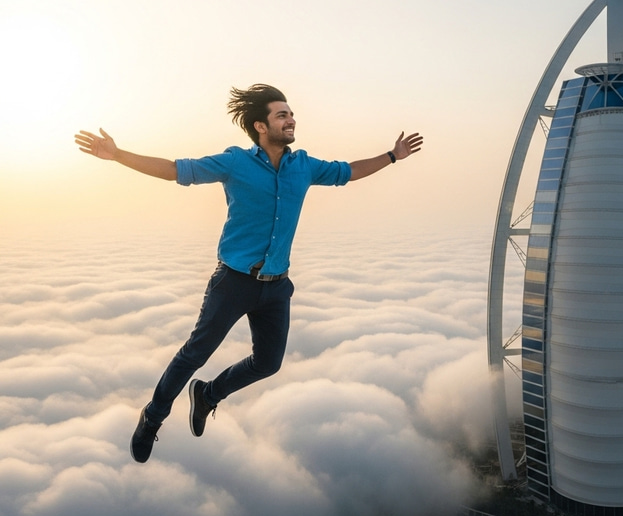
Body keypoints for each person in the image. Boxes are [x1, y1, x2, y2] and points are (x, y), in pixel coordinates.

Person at [74, 84, 423, 463]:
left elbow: (350, 172)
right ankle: (152, 419)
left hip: (276, 287)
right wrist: (118, 155)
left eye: (291, 114)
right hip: (233, 283)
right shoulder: (235, 162)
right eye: (282, 115)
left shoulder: (303, 165)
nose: (291, 120)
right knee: (194, 354)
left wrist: (392, 156)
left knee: (268, 363)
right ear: (261, 126)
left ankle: (207, 394)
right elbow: (176, 170)